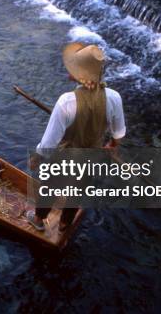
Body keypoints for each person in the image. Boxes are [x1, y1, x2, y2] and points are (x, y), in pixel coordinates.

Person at [26, 42, 126, 232]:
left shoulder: (66, 102)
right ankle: (64, 224)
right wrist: (111, 145)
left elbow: (50, 141)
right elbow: (118, 133)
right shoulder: (114, 98)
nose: (67, 71)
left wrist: (37, 157)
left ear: (81, 75)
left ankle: (38, 219)